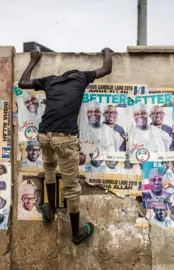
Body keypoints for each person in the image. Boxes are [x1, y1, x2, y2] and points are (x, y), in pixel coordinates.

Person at [18, 47, 113, 245]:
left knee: (49, 168)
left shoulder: (50, 80)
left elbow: (22, 82)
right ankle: (76, 234)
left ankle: (50, 208)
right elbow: (106, 69)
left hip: (44, 135)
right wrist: (106, 52)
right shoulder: (81, 79)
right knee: (71, 186)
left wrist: (33, 60)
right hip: (64, 138)